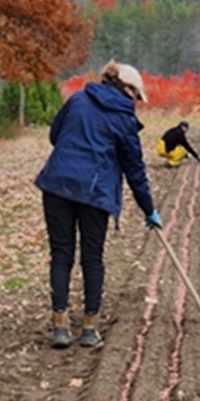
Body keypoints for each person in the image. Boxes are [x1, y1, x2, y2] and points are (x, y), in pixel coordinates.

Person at [34, 60, 162, 349]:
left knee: (61, 254)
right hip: (94, 193)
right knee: (92, 257)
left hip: (56, 185)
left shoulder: (78, 99)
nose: (136, 102)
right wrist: (149, 209)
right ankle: (90, 328)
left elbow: (55, 135)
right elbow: (134, 169)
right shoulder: (124, 118)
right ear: (126, 88)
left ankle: (60, 326)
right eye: (136, 96)